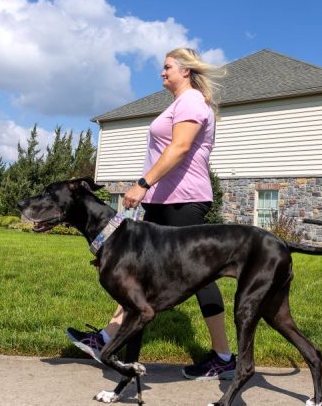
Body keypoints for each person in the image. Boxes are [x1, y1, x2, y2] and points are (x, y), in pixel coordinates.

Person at [66, 47, 236, 380]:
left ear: (185, 70)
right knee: (136, 271)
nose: (162, 72)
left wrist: (143, 183)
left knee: (201, 277)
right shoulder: (178, 103)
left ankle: (224, 357)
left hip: (182, 201)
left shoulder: (191, 102)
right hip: (163, 200)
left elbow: (180, 147)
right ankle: (106, 337)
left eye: (167, 67)